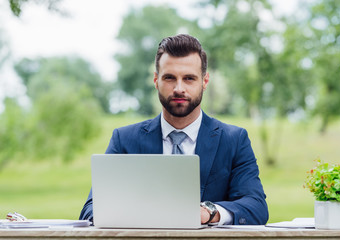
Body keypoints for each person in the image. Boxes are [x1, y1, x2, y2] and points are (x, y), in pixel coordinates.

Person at [80, 34, 268, 225]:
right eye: (170, 78)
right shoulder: (124, 140)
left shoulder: (234, 140)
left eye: (189, 78)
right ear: (156, 80)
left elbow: (256, 206)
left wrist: (208, 212)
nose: (179, 88)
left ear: (204, 81)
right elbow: (90, 209)